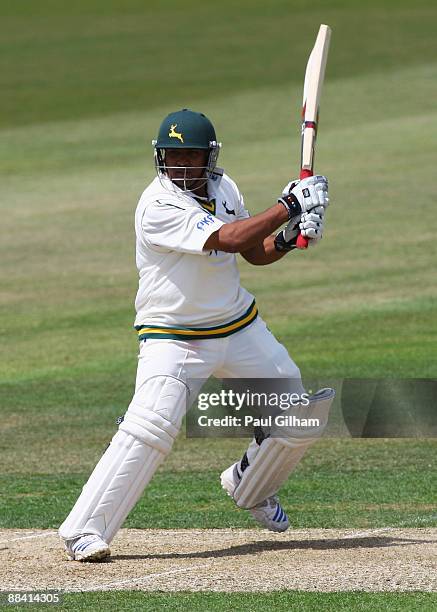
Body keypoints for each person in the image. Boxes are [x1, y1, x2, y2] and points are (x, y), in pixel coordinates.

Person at [59, 109, 334, 561]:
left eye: (189, 155)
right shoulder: (157, 205)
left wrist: (286, 237)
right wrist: (289, 206)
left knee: (299, 416)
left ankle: (250, 485)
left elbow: (251, 251)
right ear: (158, 158)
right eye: (171, 156)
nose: (180, 166)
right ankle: (83, 530)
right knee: (152, 428)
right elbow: (225, 239)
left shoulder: (225, 188)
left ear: (210, 156)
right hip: (174, 337)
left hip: (239, 326)